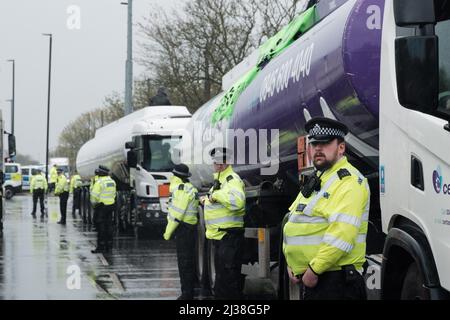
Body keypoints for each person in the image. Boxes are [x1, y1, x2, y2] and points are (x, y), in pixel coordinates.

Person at [283, 117, 370, 300]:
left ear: (341, 147)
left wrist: (313, 271)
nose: (318, 149)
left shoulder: (350, 182)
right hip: (319, 281)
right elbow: (296, 221)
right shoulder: (319, 179)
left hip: (337, 283)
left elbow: (342, 235)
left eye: (325, 143)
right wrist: (293, 264)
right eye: (314, 144)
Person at [199, 147, 246, 300]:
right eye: (215, 162)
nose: (216, 165)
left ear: (223, 164)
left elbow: (237, 202)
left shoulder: (232, 179)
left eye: (218, 162)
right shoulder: (220, 181)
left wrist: (216, 195)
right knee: (222, 283)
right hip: (221, 237)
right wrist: (206, 200)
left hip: (229, 237)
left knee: (228, 284)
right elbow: (215, 200)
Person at [163, 164, 199, 300]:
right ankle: (189, 291)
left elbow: (177, 214)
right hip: (189, 228)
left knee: (184, 263)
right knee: (188, 261)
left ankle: (187, 294)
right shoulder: (190, 188)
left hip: (184, 229)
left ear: (176, 176)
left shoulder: (181, 189)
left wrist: (167, 233)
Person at [90, 165, 117, 253]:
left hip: (101, 207)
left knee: (100, 227)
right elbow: (114, 194)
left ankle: (100, 246)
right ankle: (109, 246)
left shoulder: (99, 182)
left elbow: (94, 196)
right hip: (111, 206)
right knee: (109, 226)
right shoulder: (112, 182)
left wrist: (94, 205)